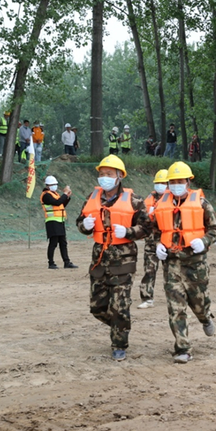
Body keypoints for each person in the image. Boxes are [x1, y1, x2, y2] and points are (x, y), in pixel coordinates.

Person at [76, 155, 152, 361]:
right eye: (101, 174)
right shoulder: (92, 198)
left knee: (120, 306)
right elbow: (80, 221)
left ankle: (119, 343)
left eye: (108, 174)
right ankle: (121, 325)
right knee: (97, 307)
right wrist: (85, 226)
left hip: (123, 260)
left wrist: (127, 231)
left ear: (119, 176)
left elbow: (147, 227)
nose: (104, 178)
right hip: (100, 259)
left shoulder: (134, 200)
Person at [153, 161, 216, 363]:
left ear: (188, 182)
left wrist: (204, 241)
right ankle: (182, 348)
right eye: (172, 181)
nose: (176, 185)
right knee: (176, 308)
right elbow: (156, 230)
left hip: (195, 264)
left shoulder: (202, 204)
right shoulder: (161, 205)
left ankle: (205, 317)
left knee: (199, 304)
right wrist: (158, 244)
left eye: (180, 181)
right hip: (172, 265)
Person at [137, 169, 169, 309]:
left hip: (168, 242)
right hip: (151, 242)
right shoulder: (148, 200)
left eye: (163, 183)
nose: (160, 185)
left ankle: (173, 297)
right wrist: (147, 216)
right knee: (149, 270)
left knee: (171, 272)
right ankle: (147, 298)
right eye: (158, 183)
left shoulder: (174, 200)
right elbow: (141, 221)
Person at [41, 176, 77, 270]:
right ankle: (51, 263)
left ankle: (67, 262)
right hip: (52, 221)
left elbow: (61, 205)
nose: (55, 186)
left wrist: (67, 197)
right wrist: (64, 194)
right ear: (48, 185)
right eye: (53, 185)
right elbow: (57, 203)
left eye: (55, 184)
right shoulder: (46, 195)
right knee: (53, 243)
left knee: (63, 243)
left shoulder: (55, 194)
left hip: (59, 220)